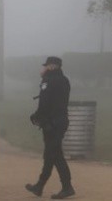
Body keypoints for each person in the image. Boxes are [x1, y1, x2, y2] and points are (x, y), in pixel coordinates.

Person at [26, 56, 75, 199]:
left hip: (51, 124)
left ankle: (67, 187)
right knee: (51, 154)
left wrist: (36, 116)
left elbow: (45, 103)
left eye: (46, 66)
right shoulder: (64, 80)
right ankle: (40, 186)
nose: (44, 69)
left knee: (55, 155)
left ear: (53, 66)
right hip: (60, 121)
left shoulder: (49, 80)